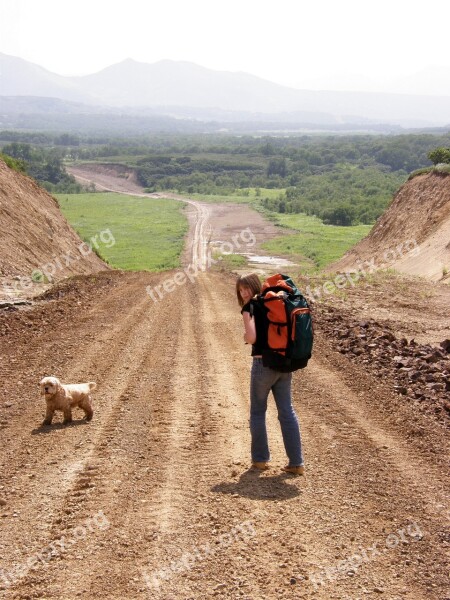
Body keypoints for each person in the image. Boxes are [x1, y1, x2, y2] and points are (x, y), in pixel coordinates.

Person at [236, 273, 305, 475]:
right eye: (241, 290)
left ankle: (260, 460)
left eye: (245, 288)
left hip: (262, 366)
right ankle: (296, 462)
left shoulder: (250, 307)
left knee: (257, 412)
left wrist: (246, 337)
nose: (244, 293)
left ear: (253, 287)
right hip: (284, 365)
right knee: (287, 411)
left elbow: (251, 337)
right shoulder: (277, 302)